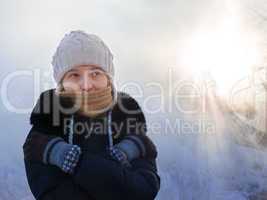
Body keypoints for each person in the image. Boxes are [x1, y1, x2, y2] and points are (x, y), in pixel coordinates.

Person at [22, 30, 160, 200]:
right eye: (74, 75)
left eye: (95, 73)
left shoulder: (126, 118)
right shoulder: (47, 123)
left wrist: (73, 160)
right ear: (62, 83)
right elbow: (51, 194)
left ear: (108, 78)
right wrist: (114, 165)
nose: (86, 85)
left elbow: (144, 190)